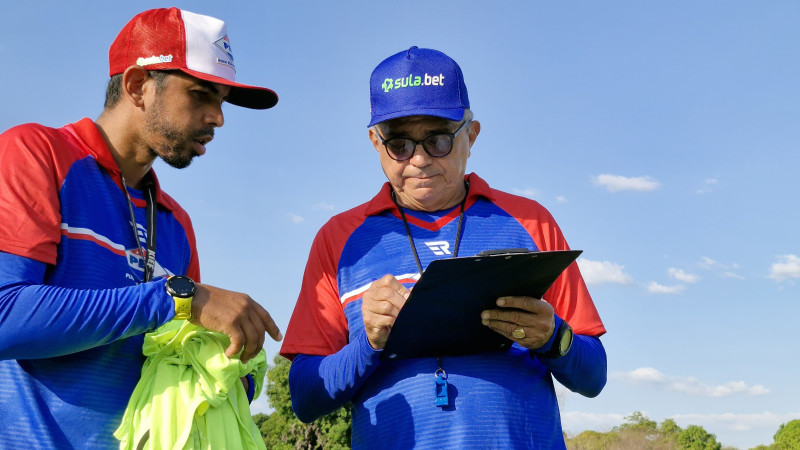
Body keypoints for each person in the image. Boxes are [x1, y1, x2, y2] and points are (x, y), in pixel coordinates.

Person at [280, 46, 607, 449]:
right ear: (374, 142)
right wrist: (368, 343)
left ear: (471, 135)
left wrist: (553, 337)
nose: (418, 159)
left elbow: (594, 376)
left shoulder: (531, 222)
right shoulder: (339, 238)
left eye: (437, 140)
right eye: (398, 144)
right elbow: (305, 397)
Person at [0, 8, 282, 449]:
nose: (218, 118)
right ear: (137, 86)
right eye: (200, 95)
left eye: (222, 101)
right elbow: (5, 315)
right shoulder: (36, 154)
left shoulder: (176, 222)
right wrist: (177, 297)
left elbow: (170, 347)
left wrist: (225, 365)